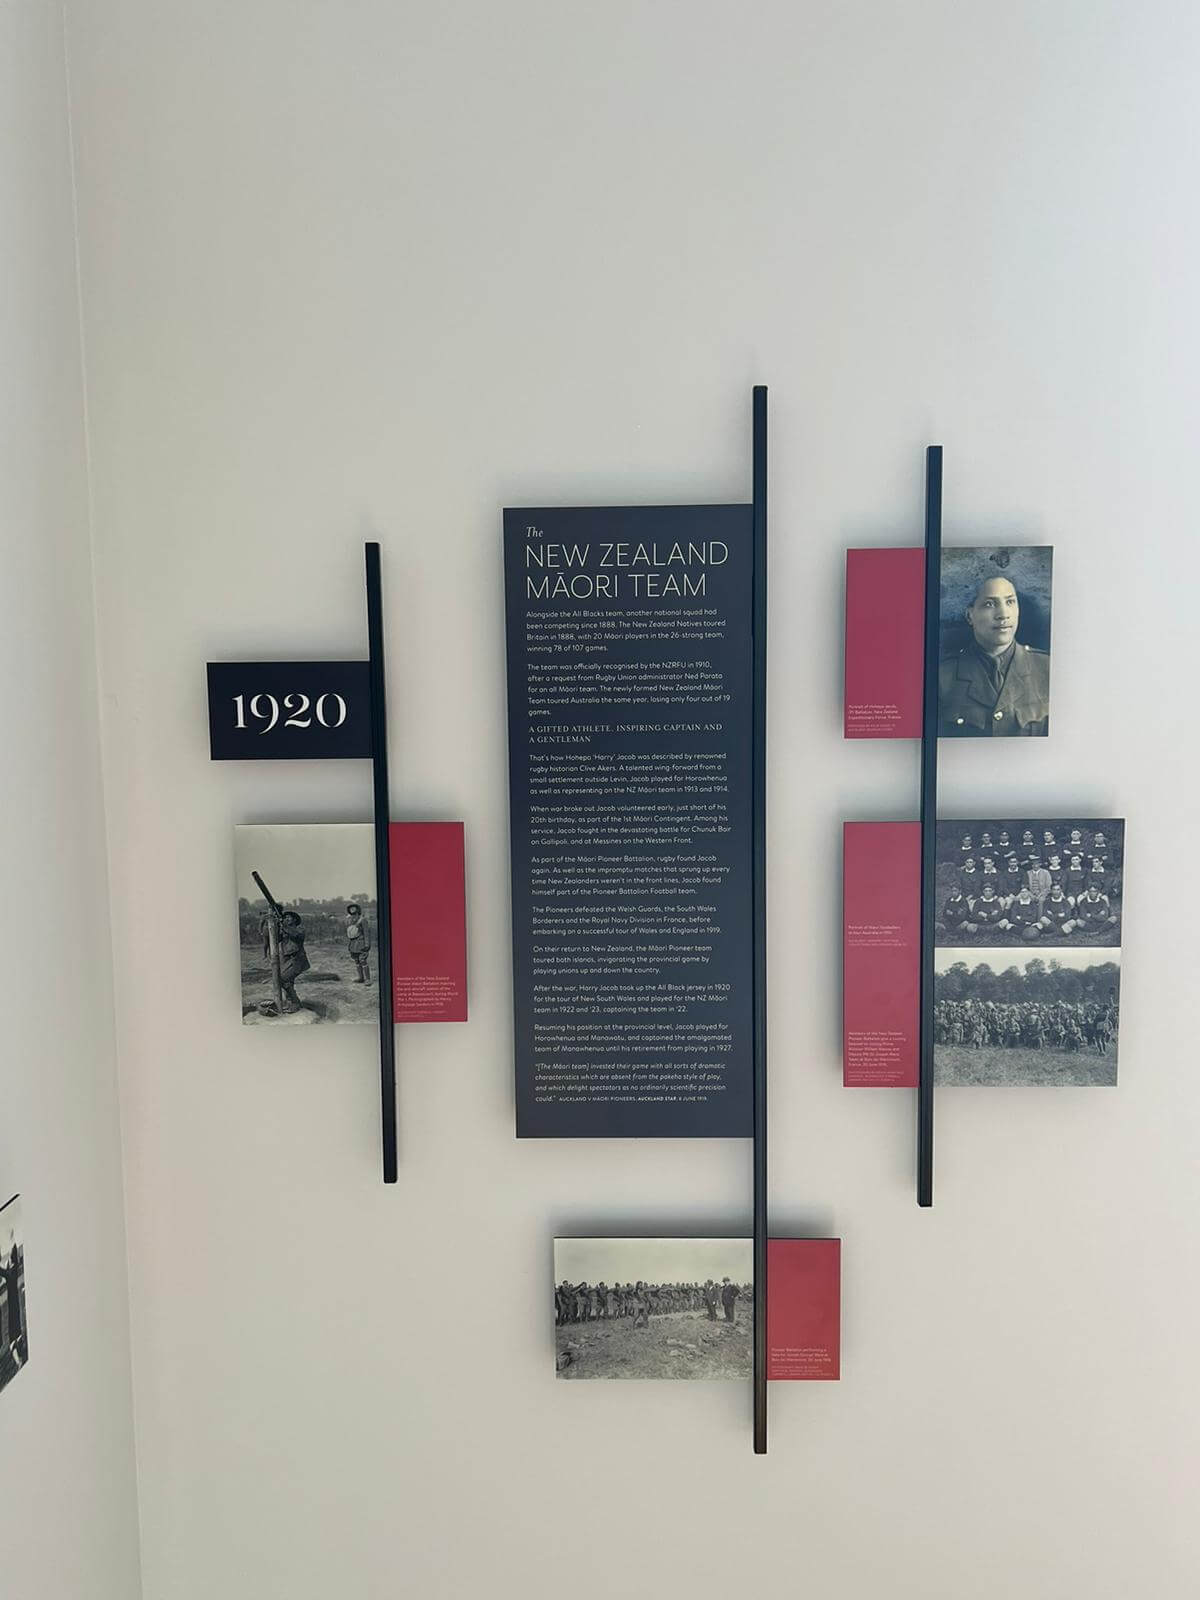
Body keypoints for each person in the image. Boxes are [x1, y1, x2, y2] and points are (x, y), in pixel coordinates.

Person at [938, 575, 1050, 736]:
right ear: (970, 615)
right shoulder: (943, 676)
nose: (1003, 615)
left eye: (1010, 602)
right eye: (989, 604)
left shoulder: (1046, 668)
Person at [266, 909, 311, 1012]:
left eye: (288, 917)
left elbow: (295, 935)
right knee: (288, 982)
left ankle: (295, 1003)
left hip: (298, 959)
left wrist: (283, 925)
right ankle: (292, 1004)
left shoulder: (299, 929)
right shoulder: (285, 930)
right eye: (285, 918)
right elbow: (275, 938)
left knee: (282, 980)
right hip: (287, 960)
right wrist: (275, 925)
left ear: (294, 920)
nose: (286, 919)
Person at [345, 903, 371, 984]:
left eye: (354, 908)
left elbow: (366, 933)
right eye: (351, 908)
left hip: (361, 943)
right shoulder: (350, 921)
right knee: (356, 961)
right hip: (353, 944)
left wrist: (367, 944)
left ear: (357, 909)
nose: (352, 910)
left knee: (363, 960)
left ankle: (368, 979)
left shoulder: (363, 920)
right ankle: (361, 978)